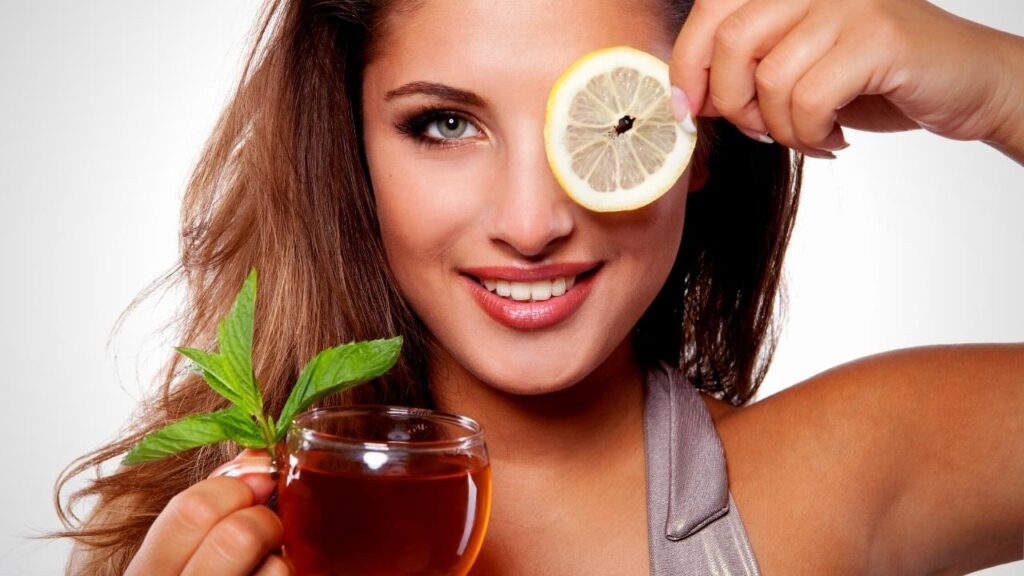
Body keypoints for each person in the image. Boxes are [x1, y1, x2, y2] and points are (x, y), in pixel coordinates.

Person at [56, 0, 1023, 574]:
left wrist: (1004, 87)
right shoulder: (192, 530)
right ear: (350, 147)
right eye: (443, 123)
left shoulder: (833, 477)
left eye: (609, 122)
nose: (529, 222)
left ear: (698, 144)